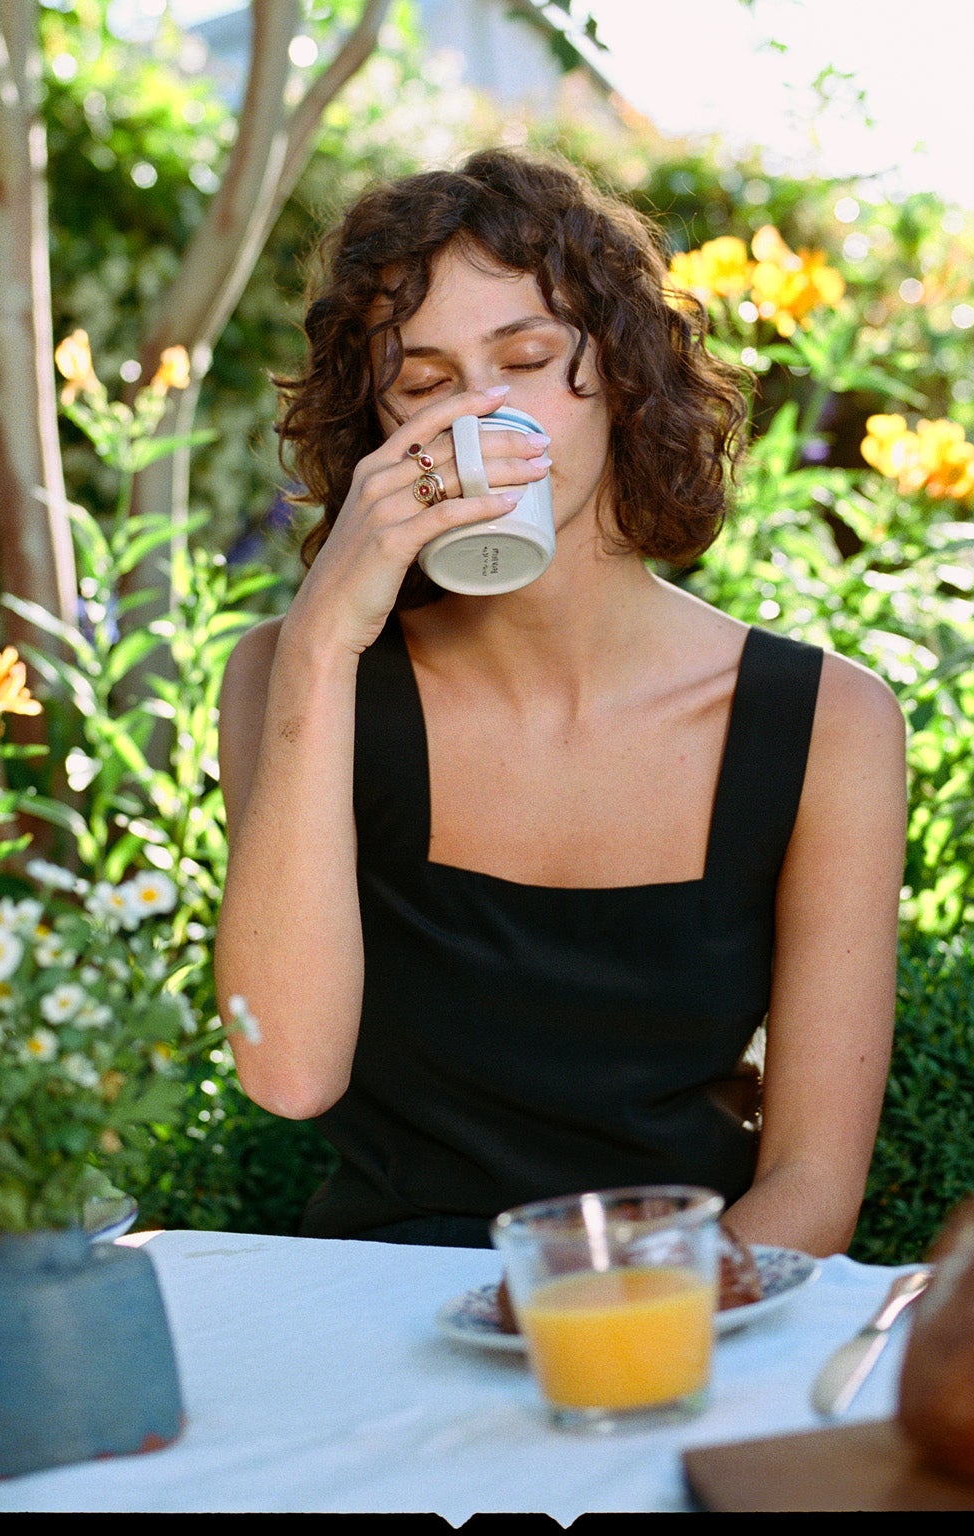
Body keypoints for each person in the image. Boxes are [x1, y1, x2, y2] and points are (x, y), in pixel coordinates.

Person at [216, 148, 906, 1251]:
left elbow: (813, 1187)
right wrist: (319, 640)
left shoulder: (824, 724)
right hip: (381, 1308)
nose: (479, 412)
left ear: (623, 373)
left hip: (683, 1312)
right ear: (382, 428)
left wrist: (615, 1325)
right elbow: (288, 1071)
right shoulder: (294, 675)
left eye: (527, 357)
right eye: (426, 382)